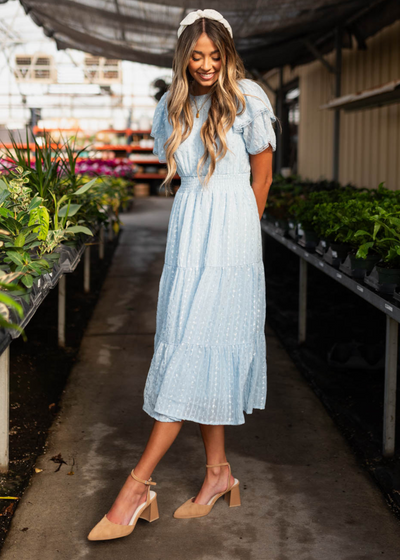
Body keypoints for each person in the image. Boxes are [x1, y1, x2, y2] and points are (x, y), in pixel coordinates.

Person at [88, 8, 277, 541]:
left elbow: (261, 179)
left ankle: (136, 487)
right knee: (193, 346)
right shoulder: (171, 107)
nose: (206, 65)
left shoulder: (248, 98)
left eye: (215, 56)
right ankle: (218, 474)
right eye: (196, 56)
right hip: (190, 233)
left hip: (231, 241)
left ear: (227, 54)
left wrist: (239, 242)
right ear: (183, 58)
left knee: (195, 347)